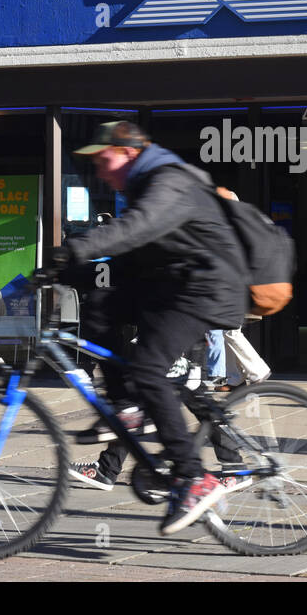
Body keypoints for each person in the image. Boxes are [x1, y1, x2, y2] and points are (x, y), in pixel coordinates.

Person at [51, 121, 248, 534]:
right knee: (101, 306)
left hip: (206, 289)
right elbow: (133, 257)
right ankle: (127, 407)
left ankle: (195, 477)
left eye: (103, 160)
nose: (101, 171)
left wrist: (75, 247)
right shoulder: (141, 185)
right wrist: (70, 270)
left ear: (128, 152)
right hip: (172, 284)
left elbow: (138, 228)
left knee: (148, 368)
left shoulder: (168, 180)